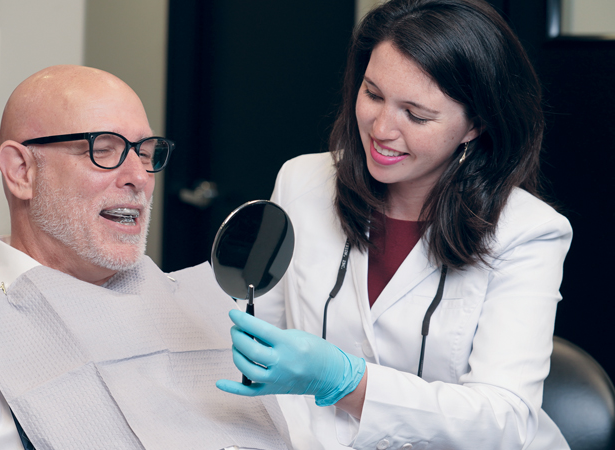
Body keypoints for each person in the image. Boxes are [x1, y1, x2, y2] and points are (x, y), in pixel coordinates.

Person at [0, 66, 290, 450]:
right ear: (21, 171)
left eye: (145, 152)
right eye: (104, 149)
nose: (139, 177)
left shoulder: (198, 313)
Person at [215, 0, 573, 449]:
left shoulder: (528, 232)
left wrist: (346, 382)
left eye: (416, 115)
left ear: (474, 125)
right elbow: (259, 342)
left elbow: (503, 422)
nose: (381, 129)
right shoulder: (301, 181)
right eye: (373, 94)